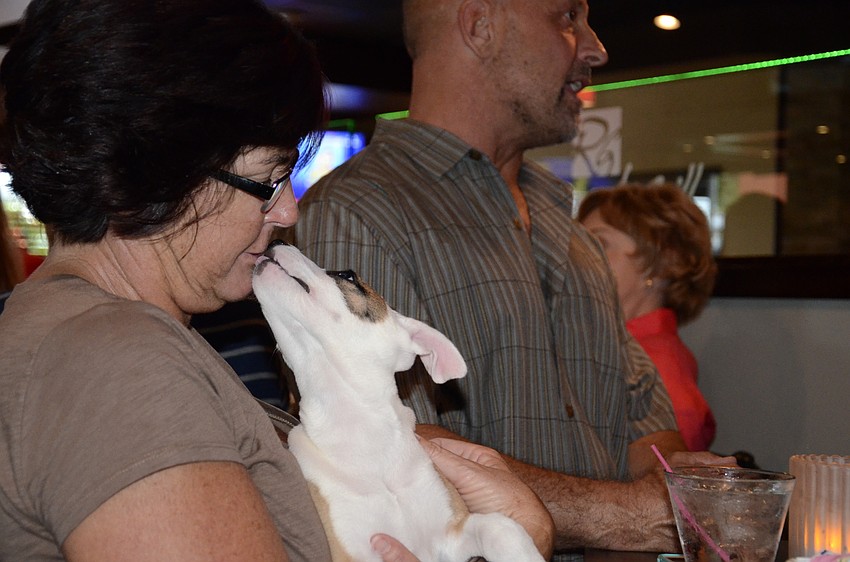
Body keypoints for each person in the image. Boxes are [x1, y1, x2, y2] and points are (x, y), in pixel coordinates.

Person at [0, 1, 554, 561]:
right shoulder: (120, 363)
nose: (288, 210)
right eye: (269, 179)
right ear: (153, 170)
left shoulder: (89, 336)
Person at [289, 1, 731, 559]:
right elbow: (383, 453)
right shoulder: (357, 212)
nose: (595, 47)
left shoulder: (568, 228)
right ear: (481, 27)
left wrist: (690, 493)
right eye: (567, 17)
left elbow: (645, 424)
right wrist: (624, 517)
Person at [577, 183, 718, 452]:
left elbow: (669, 485)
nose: (577, 258)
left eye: (598, 243)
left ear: (664, 263)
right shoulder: (609, 345)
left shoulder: (659, 366)